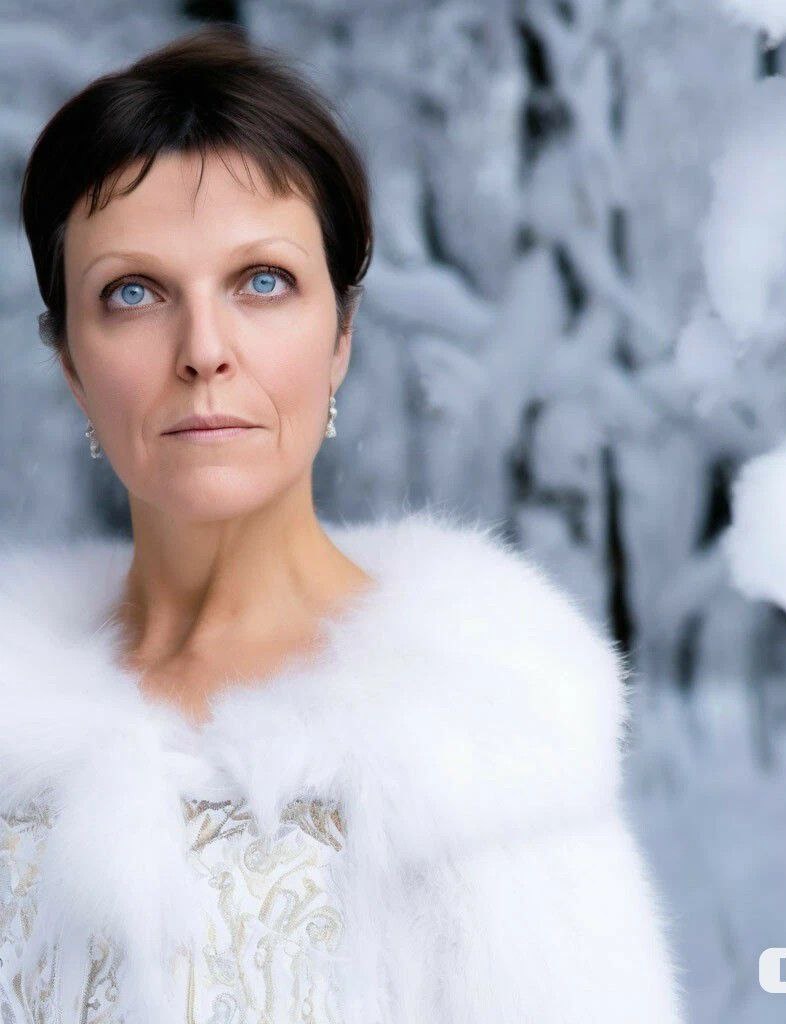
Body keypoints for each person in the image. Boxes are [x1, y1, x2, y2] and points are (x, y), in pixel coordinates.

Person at [0, 23, 686, 1024]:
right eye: (133, 292)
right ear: (70, 360)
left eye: (262, 282)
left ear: (341, 338)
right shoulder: (17, 722)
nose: (203, 349)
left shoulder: (479, 744)